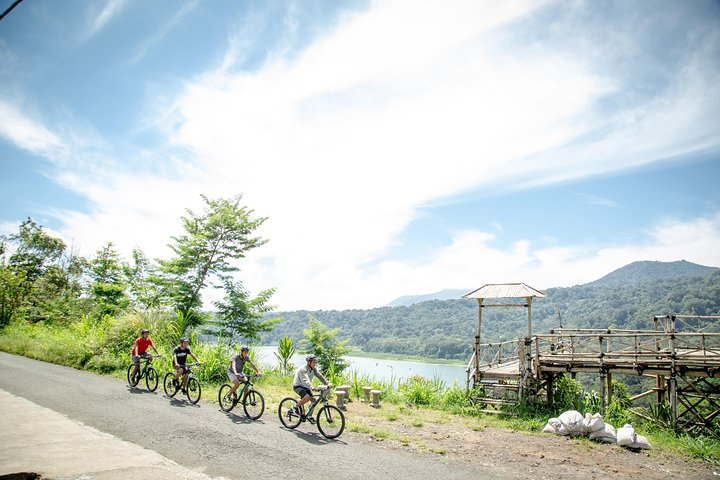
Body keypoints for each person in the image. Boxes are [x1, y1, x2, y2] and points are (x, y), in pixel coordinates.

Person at [292, 354, 332, 419]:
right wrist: (311, 387)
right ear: (309, 362)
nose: (315, 363)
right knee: (307, 397)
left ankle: (309, 416)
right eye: (314, 362)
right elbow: (305, 380)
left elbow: (320, 376)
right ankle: (294, 407)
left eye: (315, 362)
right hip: (298, 386)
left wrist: (328, 383)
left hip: (306, 387)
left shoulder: (314, 369)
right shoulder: (303, 370)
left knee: (314, 400)